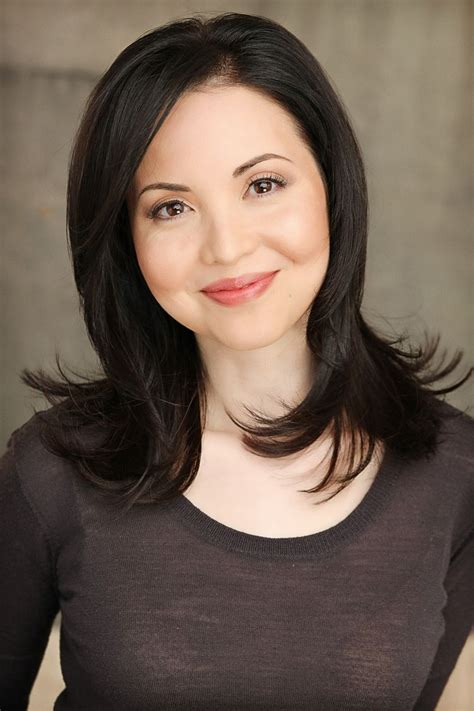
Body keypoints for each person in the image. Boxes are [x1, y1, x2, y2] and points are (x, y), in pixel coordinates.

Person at [1, 11, 472, 711]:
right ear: (125, 239)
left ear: (332, 188)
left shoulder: (455, 473)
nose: (226, 247)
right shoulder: (50, 470)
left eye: (262, 185)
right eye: (170, 207)